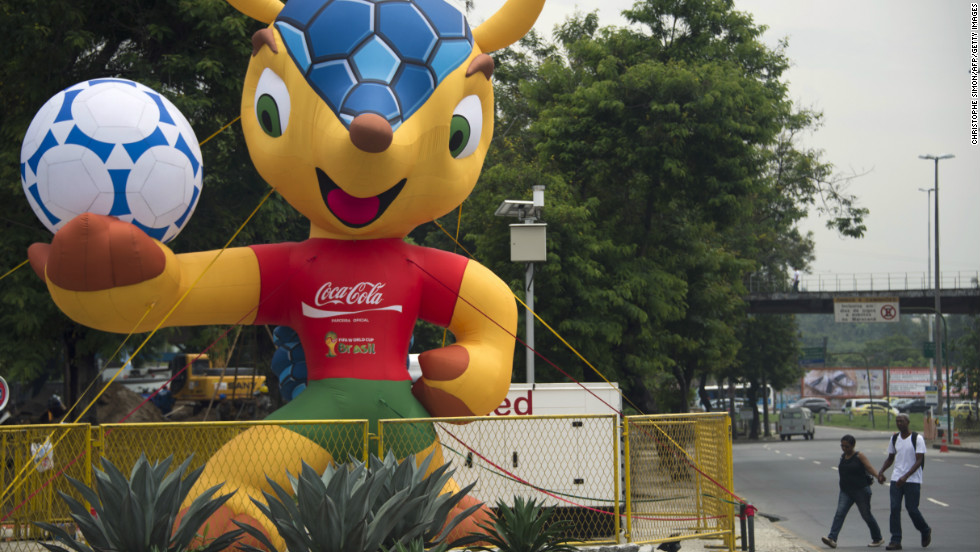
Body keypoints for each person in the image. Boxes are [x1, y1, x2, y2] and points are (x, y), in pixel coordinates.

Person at [877, 413, 931, 550]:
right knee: (894, 509)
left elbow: (919, 460)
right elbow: (890, 458)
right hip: (896, 479)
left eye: (901, 421)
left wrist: (906, 476)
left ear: (908, 422)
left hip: (912, 480)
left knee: (912, 509)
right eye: (897, 421)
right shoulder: (894, 438)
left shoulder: (917, 438)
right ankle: (895, 540)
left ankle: (925, 530)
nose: (899, 423)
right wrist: (881, 471)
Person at [821, 434, 884, 549]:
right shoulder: (842, 457)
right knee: (839, 514)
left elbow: (869, 468)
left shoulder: (859, 456)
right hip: (846, 491)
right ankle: (832, 538)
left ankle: (878, 538)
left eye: (847, 446)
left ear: (853, 446)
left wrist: (878, 476)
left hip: (861, 491)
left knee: (866, 515)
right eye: (842, 446)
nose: (844, 449)